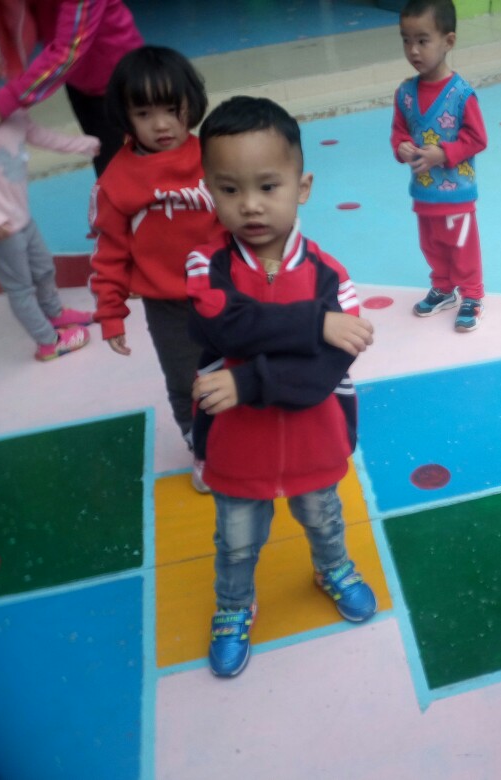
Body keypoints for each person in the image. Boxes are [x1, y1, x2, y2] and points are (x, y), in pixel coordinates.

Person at [186, 96, 378, 678]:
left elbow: (325, 373)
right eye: (229, 189)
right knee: (236, 541)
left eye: (268, 186)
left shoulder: (331, 275)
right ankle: (233, 604)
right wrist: (315, 325)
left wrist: (246, 380)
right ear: (208, 190)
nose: (250, 204)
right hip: (237, 447)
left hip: (314, 438)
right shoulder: (205, 265)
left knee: (324, 518)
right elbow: (225, 324)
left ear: (303, 186)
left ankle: (332, 568)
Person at [88, 45, 221, 491]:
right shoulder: (117, 181)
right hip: (168, 305)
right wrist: (110, 312)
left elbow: (245, 213)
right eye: (144, 113)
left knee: (239, 363)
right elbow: (110, 253)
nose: (161, 124)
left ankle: (247, 429)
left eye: (171, 109)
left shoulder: (215, 156)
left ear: (191, 104)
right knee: (186, 380)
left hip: (226, 290)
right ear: (125, 116)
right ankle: (201, 446)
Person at [0, 28, 98, 361]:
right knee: (20, 287)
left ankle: (54, 313)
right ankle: (47, 342)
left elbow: (39, 134)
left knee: (43, 268)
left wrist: (82, 145)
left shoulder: (6, 106)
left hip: (22, 215)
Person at [392, 0, 488, 332]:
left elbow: (477, 138)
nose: (413, 50)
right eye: (406, 40)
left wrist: (443, 153)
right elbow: (399, 131)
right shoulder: (405, 93)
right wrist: (401, 147)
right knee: (431, 244)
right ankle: (444, 288)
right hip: (423, 192)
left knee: (462, 246)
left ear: (448, 41)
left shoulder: (461, 94)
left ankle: (472, 295)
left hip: (457, 194)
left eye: (423, 40)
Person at [0, 0, 143, 175]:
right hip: (79, 81)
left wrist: (4, 101)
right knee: (109, 168)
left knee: (128, 169)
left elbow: (69, 50)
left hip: (120, 83)